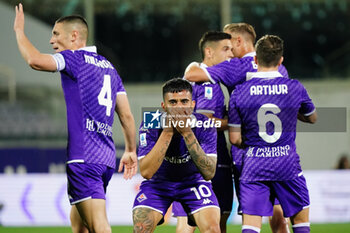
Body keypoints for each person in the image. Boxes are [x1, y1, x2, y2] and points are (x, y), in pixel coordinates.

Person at [14, 4, 137, 233]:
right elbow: (127, 115)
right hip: (105, 159)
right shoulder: (110, 68)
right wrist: (130, 149)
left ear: (74, 36)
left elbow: (34, 60)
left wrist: (19, 31)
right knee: (79, 225)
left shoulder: (74, 59)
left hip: (83, 158)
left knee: (99, 225)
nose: (51, 41)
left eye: (56, 34)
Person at [185, 22, 291, 233]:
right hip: (280, 150)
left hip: (247, 152)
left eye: (229, 45)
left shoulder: (237, 66)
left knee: (251, 217)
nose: (229, 51)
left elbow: (193, 75)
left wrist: (194, 66)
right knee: (279, 213)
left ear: (239, 41)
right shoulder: (278, 67)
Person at [228, 34, 317, 233]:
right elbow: (312, 118)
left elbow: (234, 139)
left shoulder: (239, 92)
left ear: (256, 60)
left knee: (251, 227)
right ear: (281, 61)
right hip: (287, 164)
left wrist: (253, 143)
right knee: (300, 224)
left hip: (254, 166)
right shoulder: (295, 87)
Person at [133, 78, 220, 233]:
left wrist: (187, 133)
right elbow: (146, 172)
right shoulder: (151, 122)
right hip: (158, 184)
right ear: (164, 106)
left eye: (184, 101)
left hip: (194, 183)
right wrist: (168, 132)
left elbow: (209, 173)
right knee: (141, 228)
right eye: (173, 102)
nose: (179, 107)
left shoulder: (205, 124)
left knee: (212, 229)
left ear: (193, 105)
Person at [172, 31, 234, 233]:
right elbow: (205, 122)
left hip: (183, 155)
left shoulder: (189, 76)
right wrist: (234, 123)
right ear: (209, 51)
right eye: (226, 49)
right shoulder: (207, 82)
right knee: (217, 221)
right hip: (210, 154)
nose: (230, 55)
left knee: (185, 220)